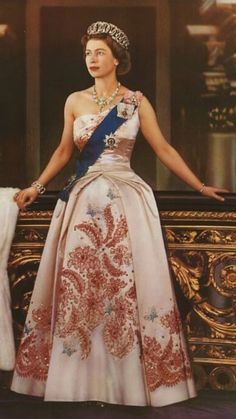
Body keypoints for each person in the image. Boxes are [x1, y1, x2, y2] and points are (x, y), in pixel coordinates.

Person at [11, 21, 227, 406]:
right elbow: (64, 153)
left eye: (99, 52)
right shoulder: (74, 101)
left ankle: (125, 383)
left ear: (116, 59)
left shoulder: (136, 101)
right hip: (81, 204)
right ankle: (78, 381)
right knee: (83, 290)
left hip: (126, 199)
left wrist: (199, 186)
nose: (92, 59)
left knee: (123, 291)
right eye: (88, 53)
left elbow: (164, 149)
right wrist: (36, 187)